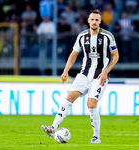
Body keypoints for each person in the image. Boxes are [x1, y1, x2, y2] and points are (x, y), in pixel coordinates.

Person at [41, 9, 119, 143]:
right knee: (70, 97)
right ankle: (53, 128)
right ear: (88, 20)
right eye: (92, 19)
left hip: (100, 75)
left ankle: (96, 137)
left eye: (96, 20)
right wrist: (65, 71)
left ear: (100, 21)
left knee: (91, 104)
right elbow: (73, 54)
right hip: (84, 74)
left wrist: (106, 71)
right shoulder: (82, 36)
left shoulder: (107, 36)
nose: (94, 22)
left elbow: (115, 56)